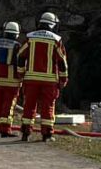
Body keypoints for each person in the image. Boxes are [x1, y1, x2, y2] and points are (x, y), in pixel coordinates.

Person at [16, 11, 68, 142]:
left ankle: (25, 133)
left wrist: (21, 73)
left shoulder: (30, 37)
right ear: (52, 25)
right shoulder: (56, 40)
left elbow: (20, 56)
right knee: (48, 107)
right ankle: (47, 135)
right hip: (49, 81)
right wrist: (63, 79)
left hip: (31, 80)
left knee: (29, 106)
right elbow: (62, 62)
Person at [0, 20, 24, 137]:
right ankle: (6, 130)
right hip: (12, 82)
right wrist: (21, 78)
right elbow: (20, 64)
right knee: (8, 106)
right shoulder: (17, 46)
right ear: (16, 34)